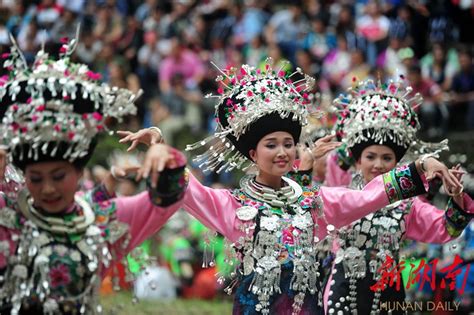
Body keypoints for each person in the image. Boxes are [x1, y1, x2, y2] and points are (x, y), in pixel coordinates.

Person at [120, 60, 461, 315]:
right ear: (253, 153)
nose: (283, 152)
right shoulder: (232, 204)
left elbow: (368, 195)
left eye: (288, 143)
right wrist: (160, 147)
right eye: (272, 145)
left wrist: (419, 168)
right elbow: (188, 189)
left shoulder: (316, 202)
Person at [0, 36, 187, 314]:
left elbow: (163, 202)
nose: (48, 189)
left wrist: (164, 155)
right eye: (36, 179)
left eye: (59, 176)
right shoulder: (10, 219)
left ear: (78, 172)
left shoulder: (101, 220)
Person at [321, 78, 473, 315]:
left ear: (398, 164)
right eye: (370, 157)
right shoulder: (345, 194)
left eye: (387, 158)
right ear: (358, 160)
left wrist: (457, 196)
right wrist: (362, 120)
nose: (378, 164)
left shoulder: (407, 204)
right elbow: (336, 163)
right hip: (345, 290)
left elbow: (447, 229)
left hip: (389, 291)